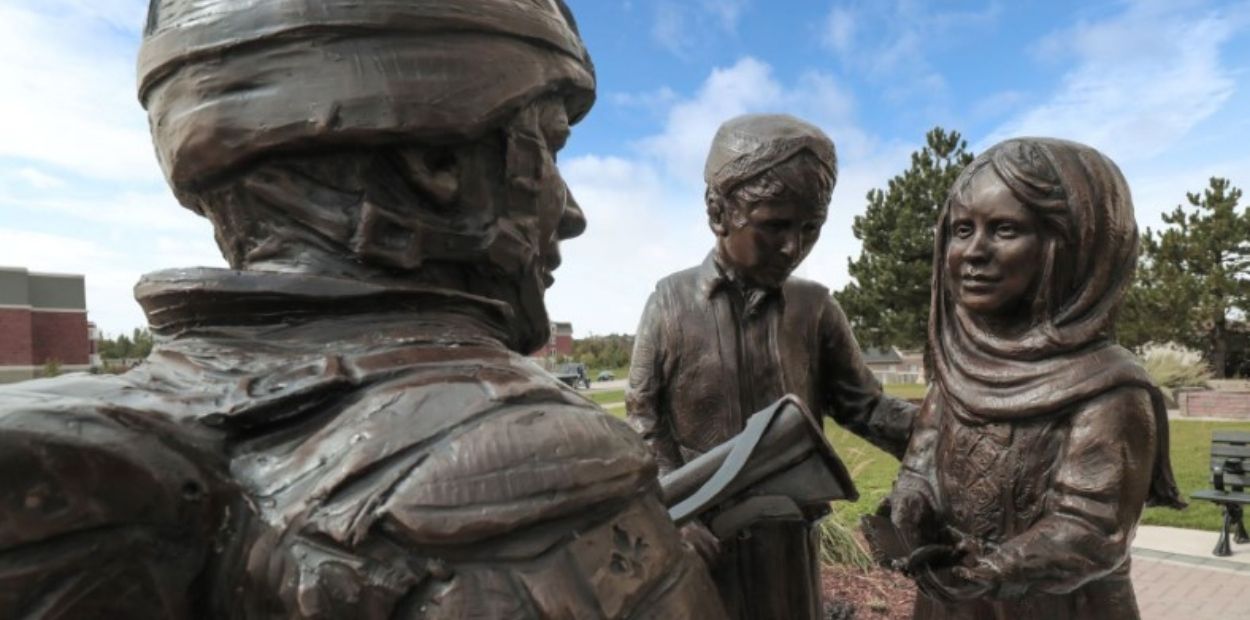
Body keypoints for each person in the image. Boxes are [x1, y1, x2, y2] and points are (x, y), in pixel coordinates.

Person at [0, 1, 725, 617]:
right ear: (434, 169)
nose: (570, 213)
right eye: (551, 147)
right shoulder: (537, 471)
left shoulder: (124, 436)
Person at [627, 113, 916, 620]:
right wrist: (673, 515)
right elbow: (644, 419)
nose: (793, 247)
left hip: (787, 542)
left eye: (811, 228)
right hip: (704, 546)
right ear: (718, 212)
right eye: (774, 226)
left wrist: (946, 438)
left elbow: (866, 408)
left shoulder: (816, 309)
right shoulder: (670, 303)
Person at [885, 137, 1185, 619]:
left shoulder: (1110, 389)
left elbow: (1091, 528)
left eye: (1004, 229)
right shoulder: (960, 367)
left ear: (1072, 247)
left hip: (1057, 606)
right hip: (955, 600)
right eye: (963, 230)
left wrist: (996, 569)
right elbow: (921, 464)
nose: (974, 251)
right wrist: (910, 502)